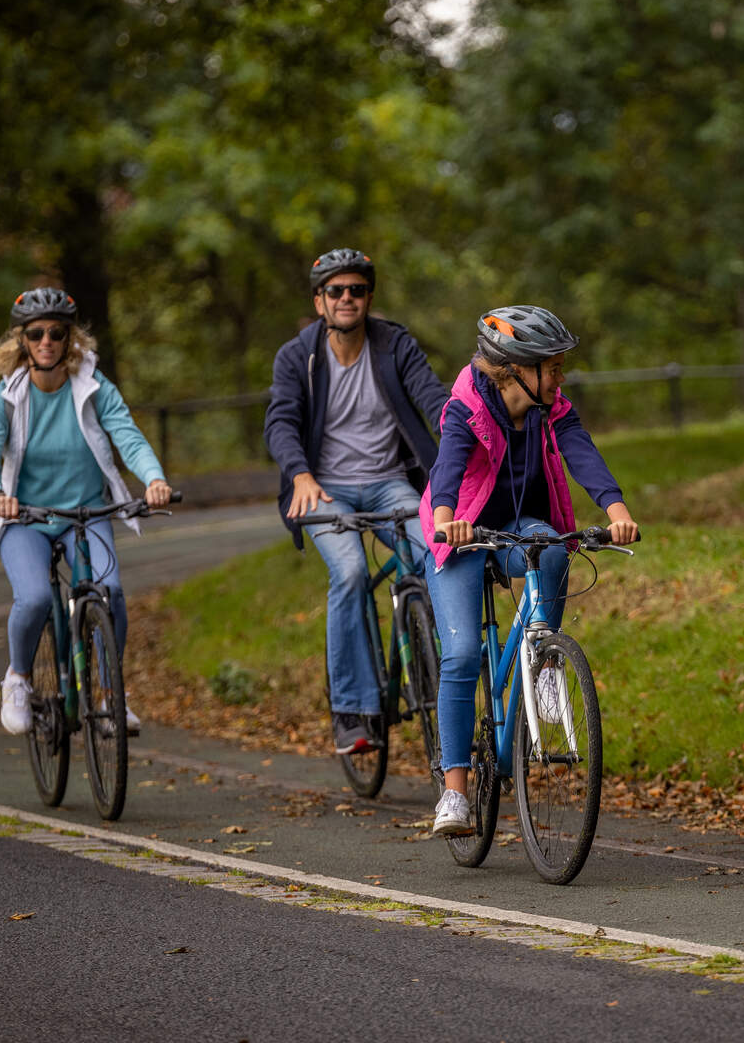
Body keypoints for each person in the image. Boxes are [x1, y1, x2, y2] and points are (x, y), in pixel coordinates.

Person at [421, 305, 640, 836]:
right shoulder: (466, 406)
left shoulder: (553, 406)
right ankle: (454, 793)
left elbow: (581, 453)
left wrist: (617, 513)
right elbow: (449, 465)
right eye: (553, 366)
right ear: (515, 368)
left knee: (557, 550)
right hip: (463, 529)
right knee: (463, 654)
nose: (561, 377)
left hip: (521, 526)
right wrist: (448, 521)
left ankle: (543, 661)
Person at [265, 248, 450, 757]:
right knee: (348, 573)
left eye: (357, 290)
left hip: (393, 482)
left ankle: (449, 677)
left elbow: (431, 397)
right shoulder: (296, 357)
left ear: (369, 297)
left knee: (439, 550)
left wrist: (459, 436)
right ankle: (351, 709)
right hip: (324, 490)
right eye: (336, 291)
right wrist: (299, 475)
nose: (347, 298)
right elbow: (280, 423)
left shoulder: (395, 345)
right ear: (319, 301)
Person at [0, 286, 172, 737]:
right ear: (22, 341)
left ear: (71, 340)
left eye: (57, 333)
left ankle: (108, 695)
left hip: (86, 514)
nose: (46, 341)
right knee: (36, 599)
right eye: (36, 333)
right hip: (24, 518)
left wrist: (154, 478)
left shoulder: (95, 390)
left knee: (111, 592)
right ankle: (19, 679)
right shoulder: (1, 400)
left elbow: (129, 438)